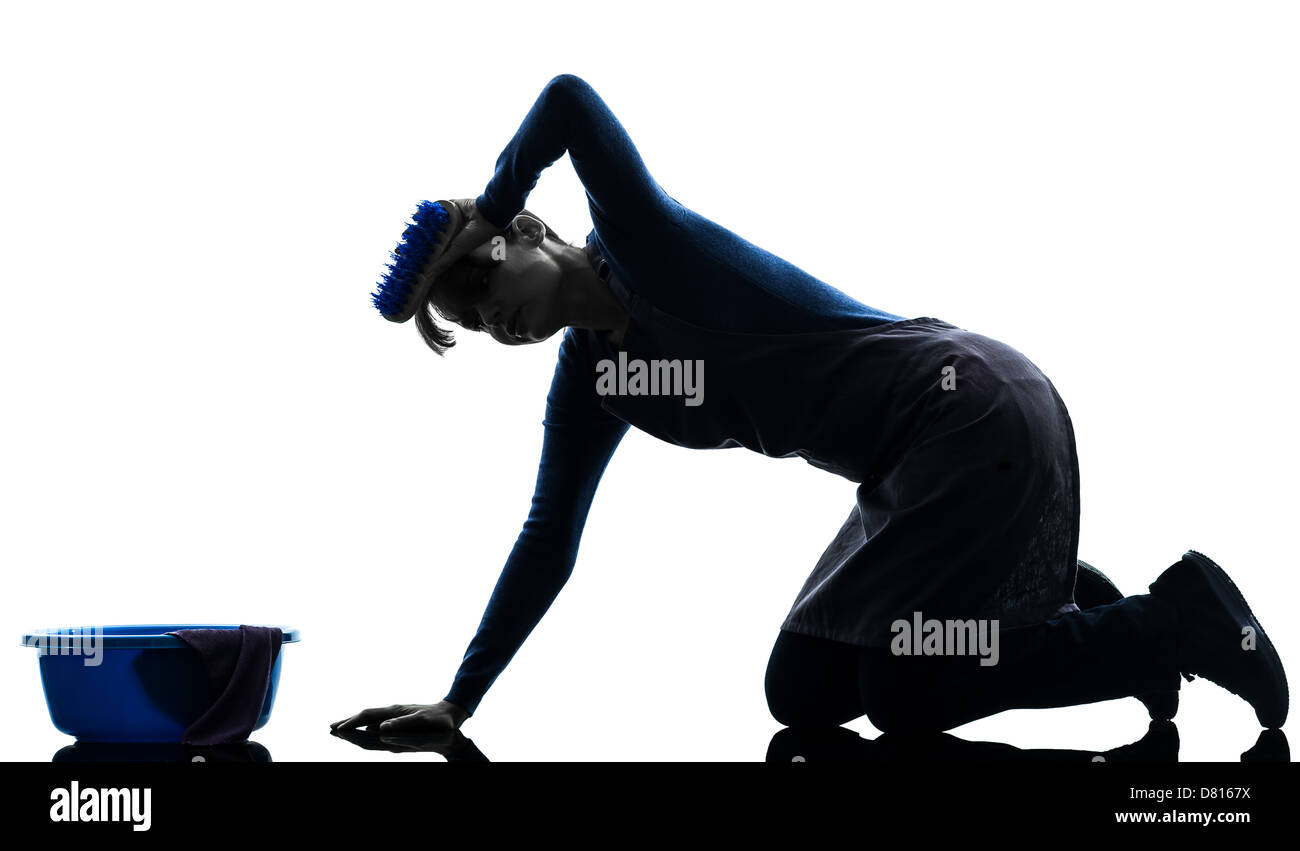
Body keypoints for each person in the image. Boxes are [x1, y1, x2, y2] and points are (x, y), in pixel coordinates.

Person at [333, 75, 1287, 738]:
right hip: (910, 472)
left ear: (526, 235)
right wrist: (462, 700)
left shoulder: (647, 243)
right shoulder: (595, 380)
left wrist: (492, 200)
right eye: (476, 327)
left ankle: (1161, 626)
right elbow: (549, 536)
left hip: (967, 408)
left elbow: (569, 100)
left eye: (486, 291)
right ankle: (1050, 595)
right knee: (805, 689)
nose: (496, 325)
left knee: (908, 693)